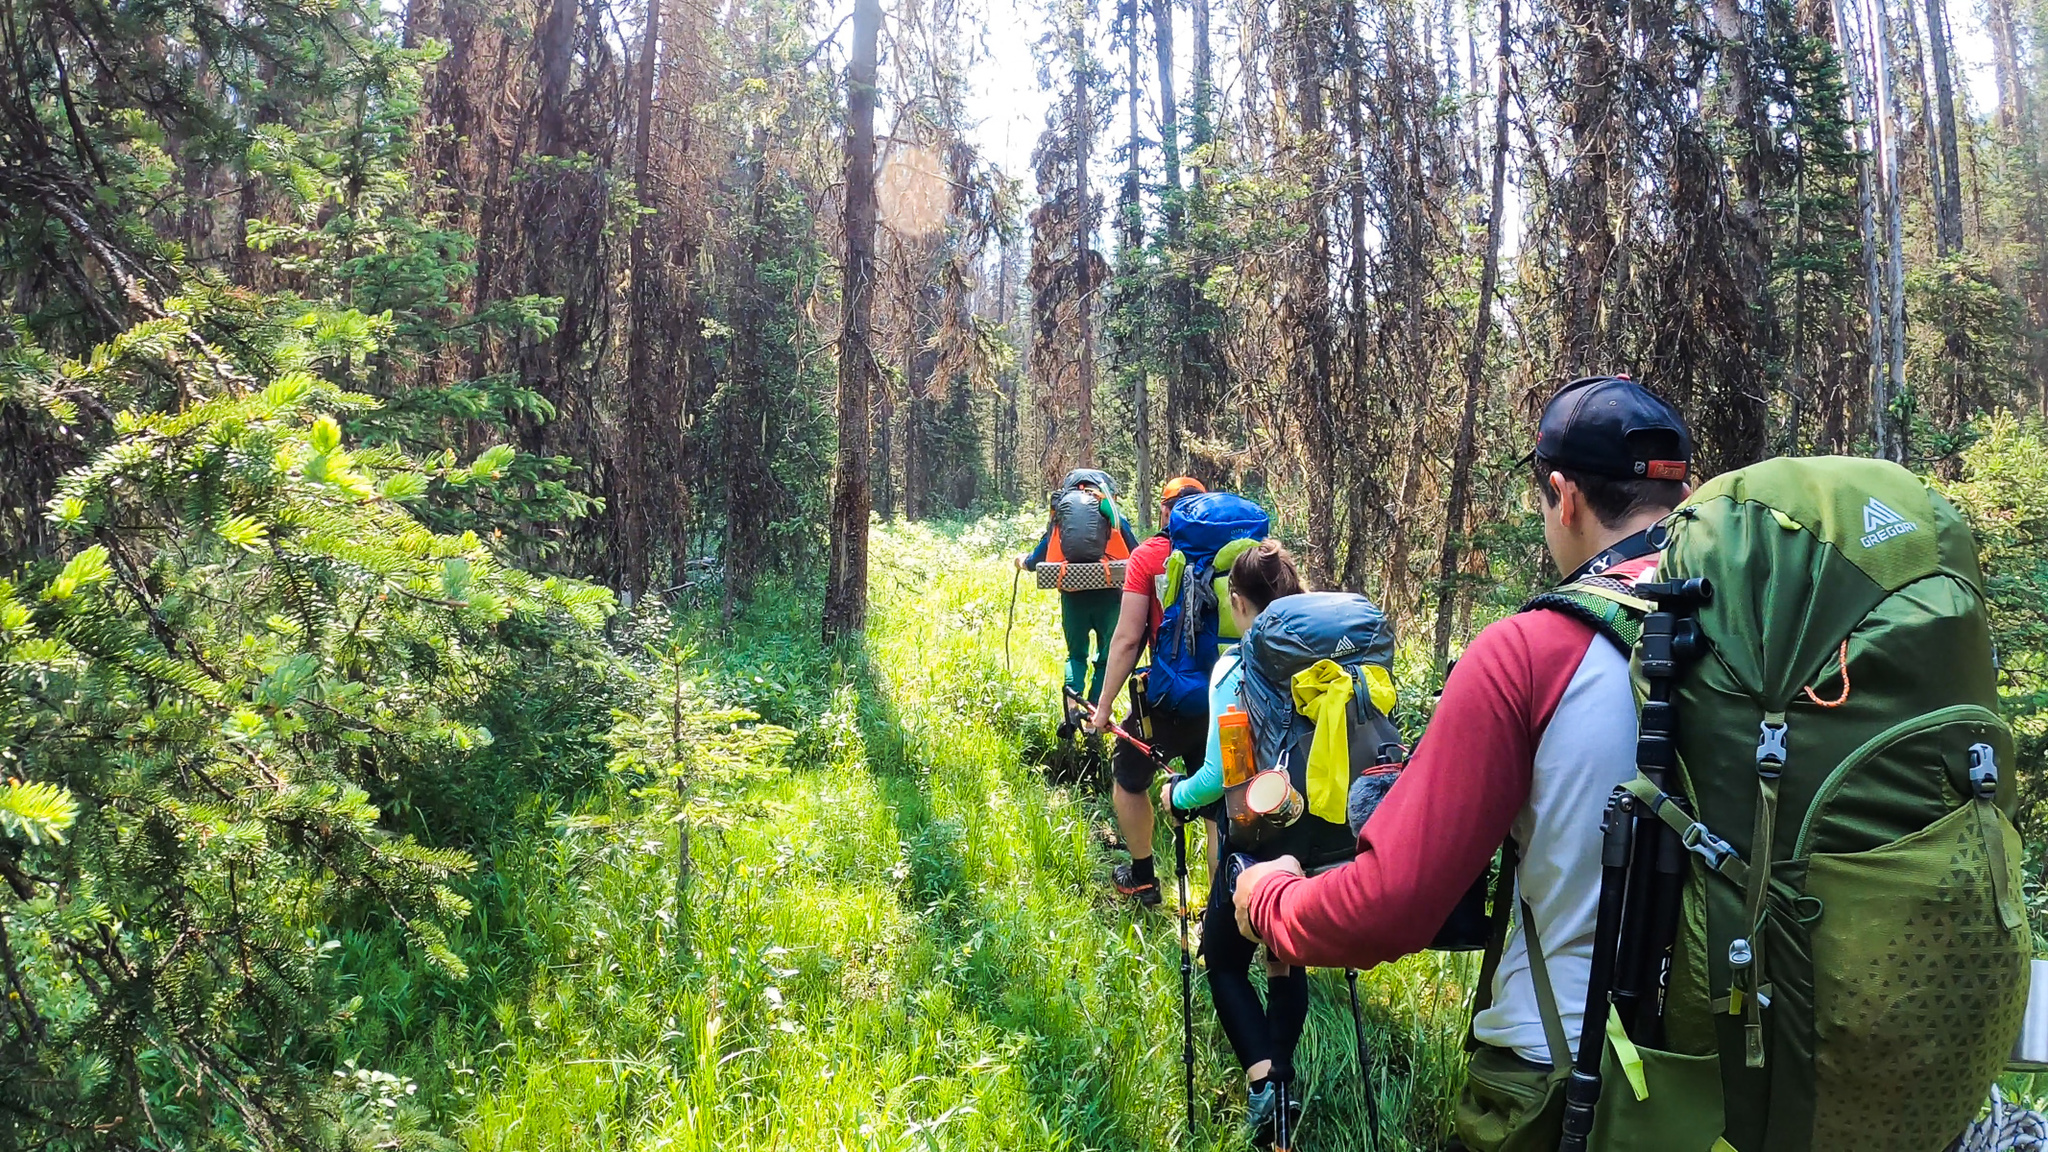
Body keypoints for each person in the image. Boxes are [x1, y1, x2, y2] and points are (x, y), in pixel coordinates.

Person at [1229, 376, 1694, 1150]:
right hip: (1749, 1071)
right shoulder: (1765, 630)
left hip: (1573, 1080)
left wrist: (1272, 899)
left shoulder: (1532, 653)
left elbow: (1391, 903)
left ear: (1563, 495)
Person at [1159, 540, 1310, 1141]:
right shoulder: (1324, 658)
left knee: (1222, 961)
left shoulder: (1236, 669)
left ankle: (1264, 1087)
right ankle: (1286, 1081)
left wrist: (1175, 797)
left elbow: (1225, 774)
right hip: (1315, 839)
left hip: (1256, 839)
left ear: (1239, 603)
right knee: (1283, 956)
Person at [1088, 475, 1209, 905]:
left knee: (1129, 777)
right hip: (1226, 699)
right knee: (1217, 806)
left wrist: (1101, 711)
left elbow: (1125, 641)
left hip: (1167, 703)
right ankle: (1223, 911)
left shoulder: (1150, 556)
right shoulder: (1237, 554)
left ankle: (1142, 877)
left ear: (1164, 510)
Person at [1017, 470, 1139, 704]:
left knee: (1076, 655)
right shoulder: (1110, 511)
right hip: (1109, 596)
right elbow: (1136, 551)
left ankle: (1072, 706)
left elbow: (1039, 557)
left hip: (1073, 597)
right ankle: (1094, 716)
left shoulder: (1063, 514)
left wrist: (1023, 562)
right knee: (1107, 657)